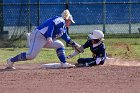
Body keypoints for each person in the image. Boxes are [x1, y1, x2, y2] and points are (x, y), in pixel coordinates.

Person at [6, 9, 79, 69]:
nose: (70, 23)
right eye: (70, 22)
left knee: (60, 45)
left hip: (46, 39)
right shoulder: (61, 20)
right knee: (31, 55)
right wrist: (49, 36)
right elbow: (52, 23)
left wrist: (75, 44)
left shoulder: (63, 29)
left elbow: (67, 38)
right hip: (39, 36)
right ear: (67, 19)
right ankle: (11, 60)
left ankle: (63, 63)